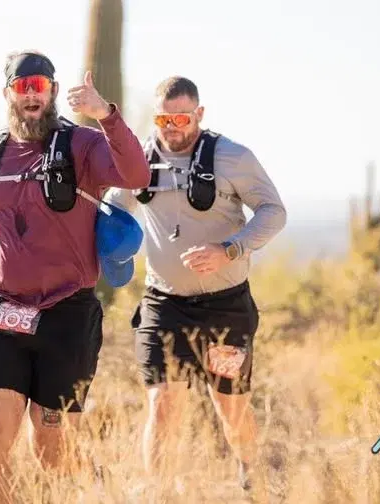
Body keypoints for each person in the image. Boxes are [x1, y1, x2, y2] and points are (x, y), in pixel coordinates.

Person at [0, 50, 149, 504]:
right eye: (23, 87)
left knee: (52, 449)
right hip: (1, 312)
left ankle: (96, 489)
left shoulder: (82, 145)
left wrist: (107, 116)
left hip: (66, 315)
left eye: (39, 86)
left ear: (53, 91)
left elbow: (135, 174)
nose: (31, 95)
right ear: (8, 94)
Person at [102, 76, 287, 492]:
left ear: (199, 114)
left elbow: (273, 212)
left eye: (181, 118)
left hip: (224, 308)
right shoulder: (140, 159)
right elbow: (114, 208)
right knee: (163, 404)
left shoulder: (233, 157)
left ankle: (251, 474)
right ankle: (159, 495)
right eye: (162, 119)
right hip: (163, 305)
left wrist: (230, 249)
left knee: (230, 408)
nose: (171, 127)